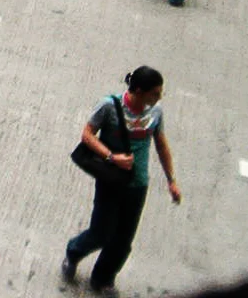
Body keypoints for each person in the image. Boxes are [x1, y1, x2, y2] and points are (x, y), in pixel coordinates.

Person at [63, 66, 181, 291]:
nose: (159, 98)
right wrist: (111, 157)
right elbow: (87, 135)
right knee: (100, 232)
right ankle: (74, 251)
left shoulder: (155, 112)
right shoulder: (109, 106)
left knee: (123, 240)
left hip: (138, 185)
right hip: (111, 180)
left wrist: (171, 180)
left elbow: (161, 145)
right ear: (138, 90)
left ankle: (103, 277)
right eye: (154, 93)